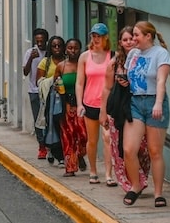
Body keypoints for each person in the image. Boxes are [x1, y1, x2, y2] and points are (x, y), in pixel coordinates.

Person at [121, 21, 170, 208]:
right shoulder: (133, 54)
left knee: (154, 151)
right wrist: (123, 81)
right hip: (135, 102)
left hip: (154, 102)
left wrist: (158, 103)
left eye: (136, 35)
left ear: (148, 36)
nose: (133, 39)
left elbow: (161, 81)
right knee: (129, 149)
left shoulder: (160, 53)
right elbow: (130, 76)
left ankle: (158, 193)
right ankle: (136, 185)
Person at [101, 26, 150, 194]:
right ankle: (131, 184)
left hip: (139, 109)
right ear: (120, 43)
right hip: (119, 111)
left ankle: (140, 178)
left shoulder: (145, 59)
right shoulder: (114, 63)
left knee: (142, 148)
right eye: (125, 40)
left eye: (131, 39)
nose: (129, 42)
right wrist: (103, 113)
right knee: (120, 148)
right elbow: (107, 88)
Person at [76, 23, 115, 186]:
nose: (96, 39)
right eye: (94, 36)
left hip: (107, 104)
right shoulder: (85, 57)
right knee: (92, 141)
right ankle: (93, 171)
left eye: (99, 36)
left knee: (108, 138)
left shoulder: (113, 56)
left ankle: (108, 174)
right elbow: (79, 82)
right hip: (90, 103)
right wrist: (79, 104)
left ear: (106, 38)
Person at [54, 38, 87, 177]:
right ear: (66, 49)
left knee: (84, 135)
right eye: (70, 48)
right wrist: (57, 86)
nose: (73, 51)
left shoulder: (84, 65)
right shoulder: (61, 66)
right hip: (66, 105)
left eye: (76, 48)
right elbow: (55, 84)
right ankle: (70, 167)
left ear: (80, 49)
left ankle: (79, 154)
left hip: (82, 105)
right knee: (68, 136)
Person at [38, 35, 66, 165]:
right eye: (54, 46)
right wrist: (52, 81)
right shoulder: (45, 62)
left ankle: (62, 154)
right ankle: (51, 149)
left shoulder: (67, 61)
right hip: (50, 99)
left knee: (62, 125)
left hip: (64, 98)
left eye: (59, 45)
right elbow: (39, 81)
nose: (57, 48)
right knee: (51, 124)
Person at [24, 28, 49, 159]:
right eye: (37, 41)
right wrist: (31, 59)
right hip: (34, 91)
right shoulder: (30, 52)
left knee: (49, 118)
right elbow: (25, 72)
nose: (39, 44)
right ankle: (42, 146)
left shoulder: (50, 52)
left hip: (48, 90)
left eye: (42, 41)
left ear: (46, 40)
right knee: (38, 120)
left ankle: (50, 144)